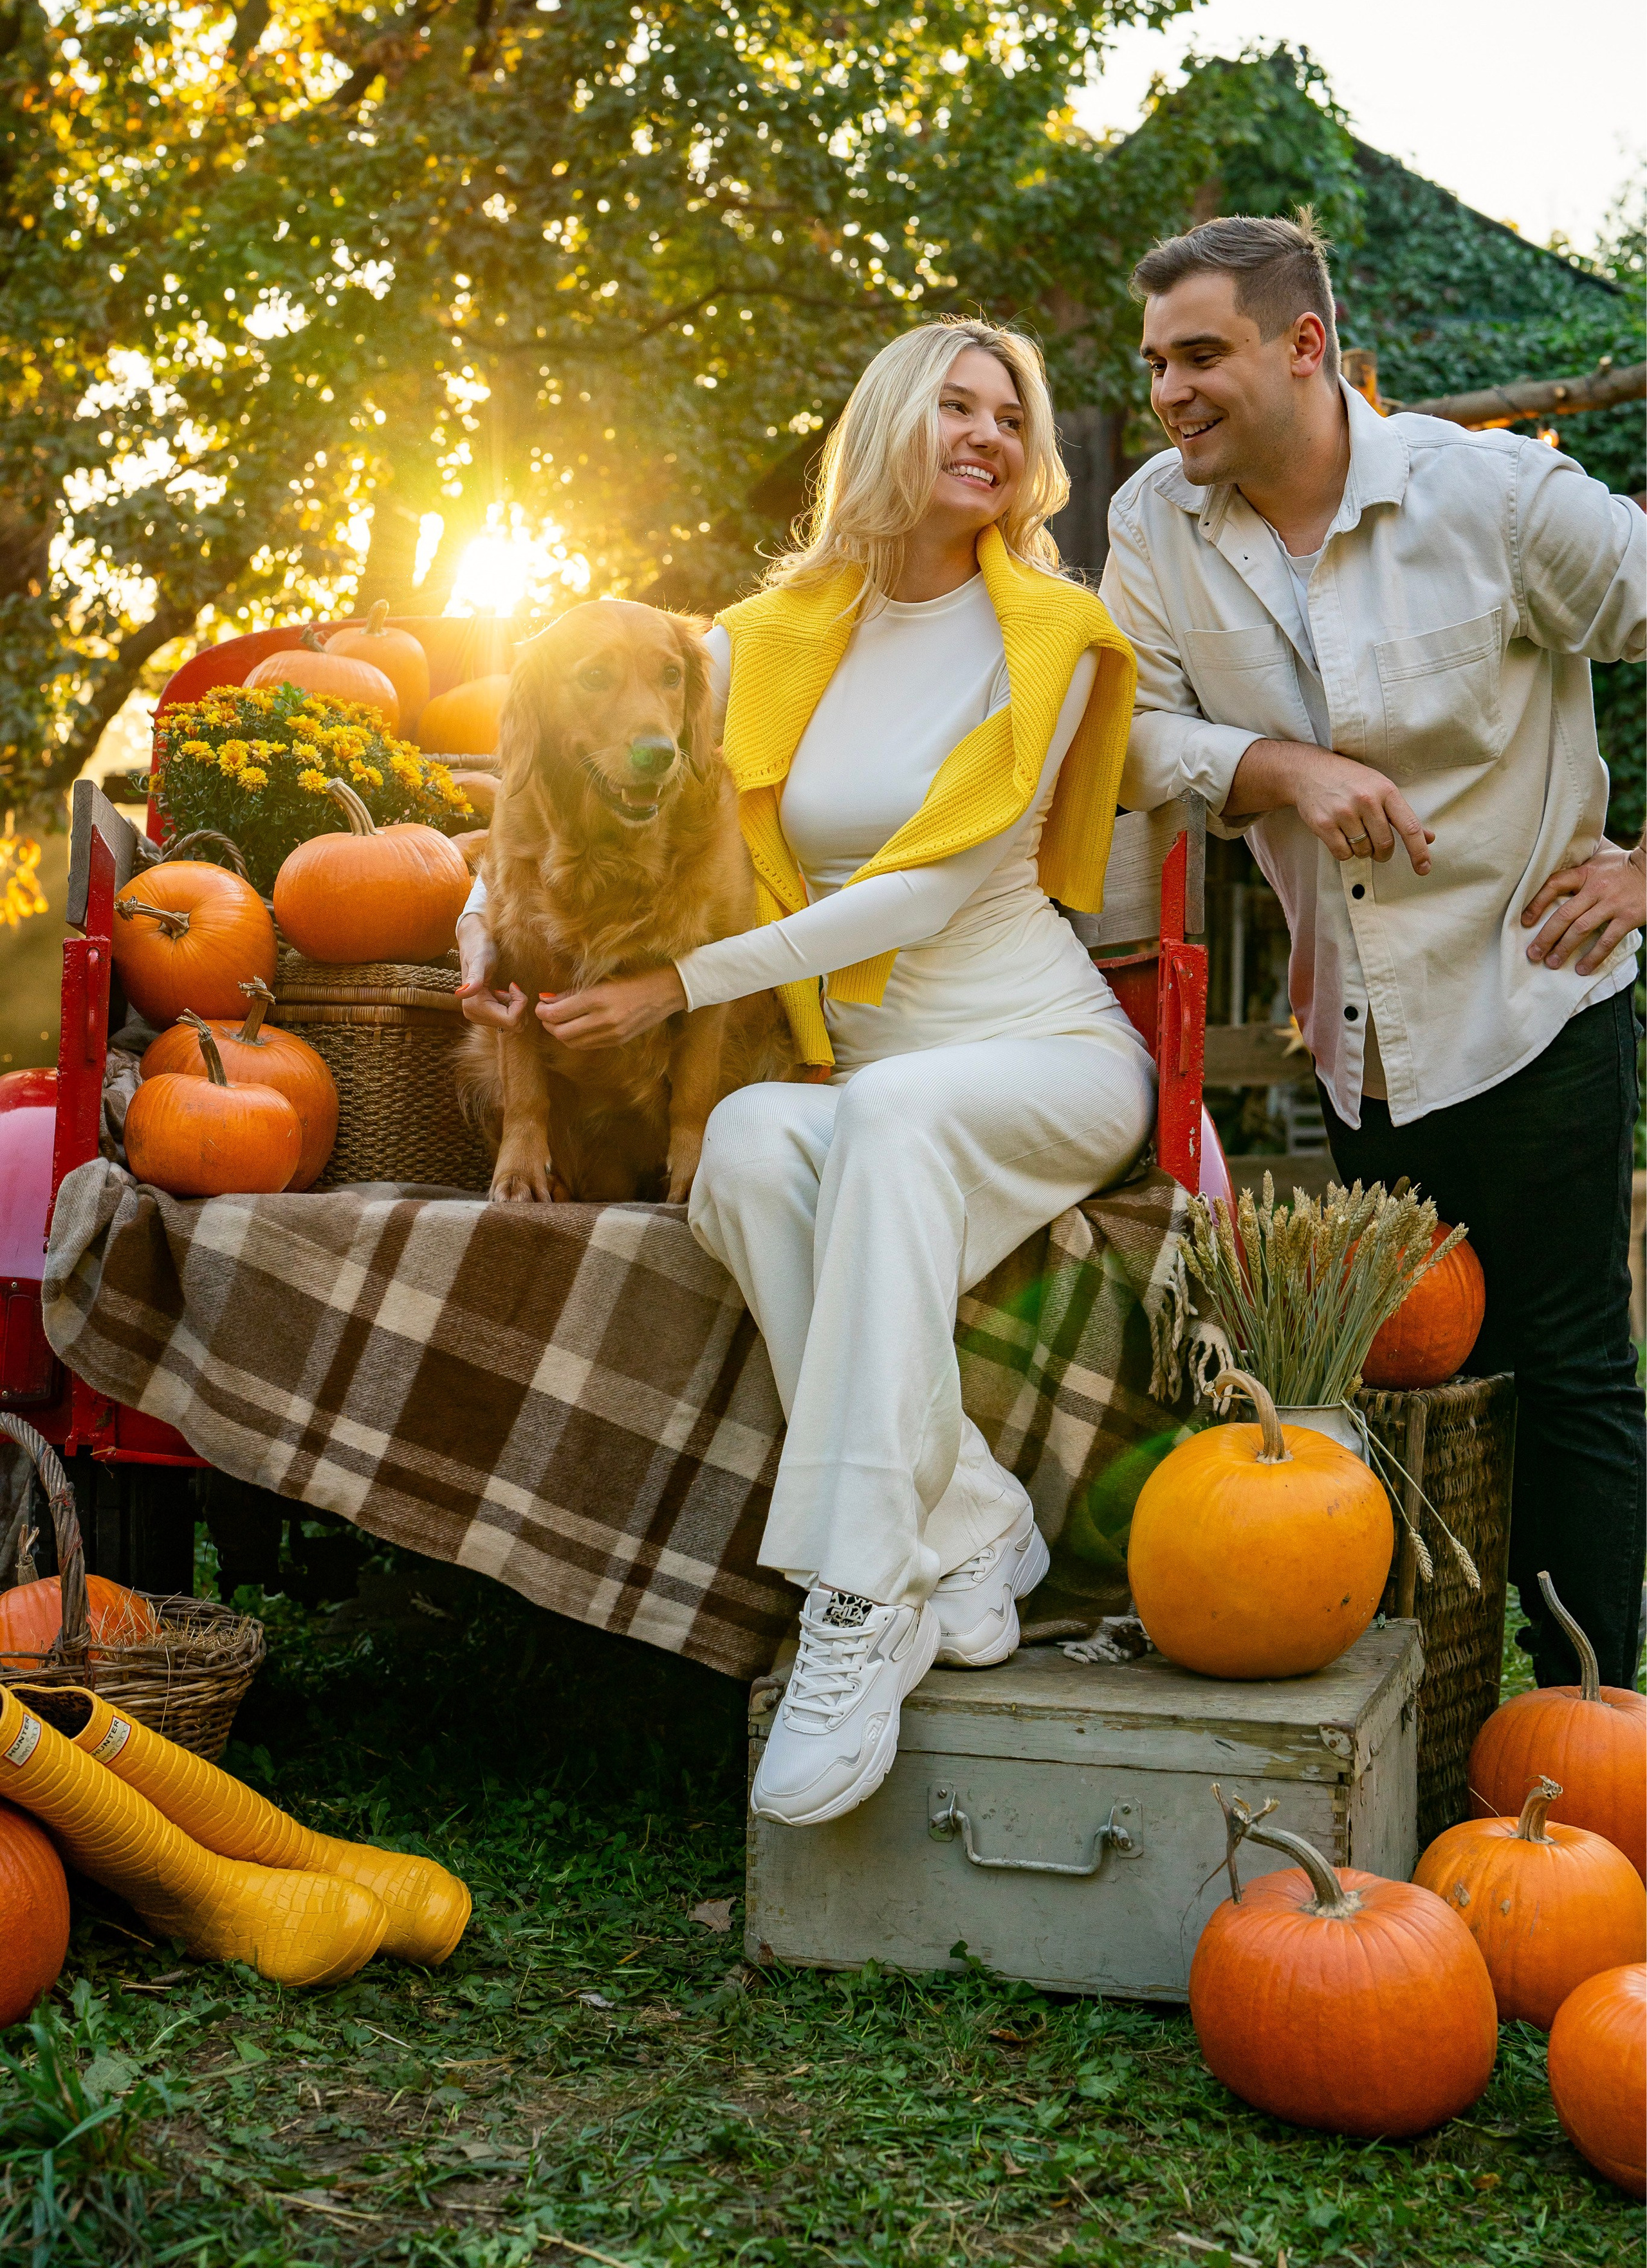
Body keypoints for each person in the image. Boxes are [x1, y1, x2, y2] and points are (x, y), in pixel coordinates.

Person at [461, 319, 1157, 1825]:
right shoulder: (755, 641)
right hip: (861, 1079)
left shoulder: (1052, 633)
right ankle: (970, 1523)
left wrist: (677, 984)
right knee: (748, 1146)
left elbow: (921, 893)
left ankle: (856, 1597)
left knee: (880, 1110)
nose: (987, 435)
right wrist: (478, 935)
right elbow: (537, 793)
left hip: (1035, 1056)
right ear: (888, 424)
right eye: (954, 406)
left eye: (1011, 417)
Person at [1101, 210, 1647, 1689]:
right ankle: (1430, 1708)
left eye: (1198, 355)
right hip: (1353, 1038)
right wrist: (1275, 768)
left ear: (1302, 346)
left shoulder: (1498, 499)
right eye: (1153, 363)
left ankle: (1583, 1717)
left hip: (1529, 999)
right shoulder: (1153, 525)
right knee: (1410, 1379)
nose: (1167, 392)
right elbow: (1126, 733)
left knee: (1568, 1370)